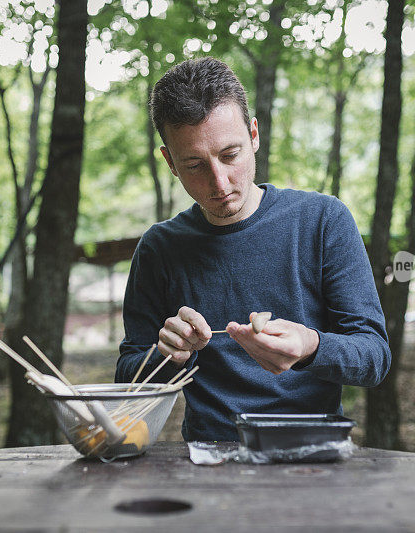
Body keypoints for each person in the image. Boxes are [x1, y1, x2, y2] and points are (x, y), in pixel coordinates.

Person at [116, 57, 391, 441]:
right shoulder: (159, 248)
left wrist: (311, 346)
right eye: (194, 164)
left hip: (312, 451)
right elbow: (129, 374)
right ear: (170, 162)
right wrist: (167, 355)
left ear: (254, 134)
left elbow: (374, 357)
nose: (219, 181)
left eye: (231, 155)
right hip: (208, 455)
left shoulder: (323, 220)